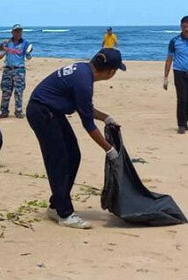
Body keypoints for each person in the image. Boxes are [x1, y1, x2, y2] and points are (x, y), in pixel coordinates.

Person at [27, 48, 126, 229]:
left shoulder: (83, 71)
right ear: (110, 72)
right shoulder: (83, 82)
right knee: (60, 160)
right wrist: (109, 150)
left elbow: (85, 108)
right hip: (42, 112)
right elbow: (88, 124)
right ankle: (64, 214)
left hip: (51, 111)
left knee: (73, 155)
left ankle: (56, 204)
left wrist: (106, 118)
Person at [0, 24, 31, 119]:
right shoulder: (8, 42)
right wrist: (1, 45)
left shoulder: (25, 43)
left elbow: (28, 57)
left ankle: (18, 111)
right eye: (16, 31)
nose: (18, 33)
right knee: (6, 91)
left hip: (19, 70)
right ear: (12, 32)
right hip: (8, 69)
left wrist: (28, 53)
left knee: (19, 91)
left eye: (20, 31)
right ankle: (4, 111)